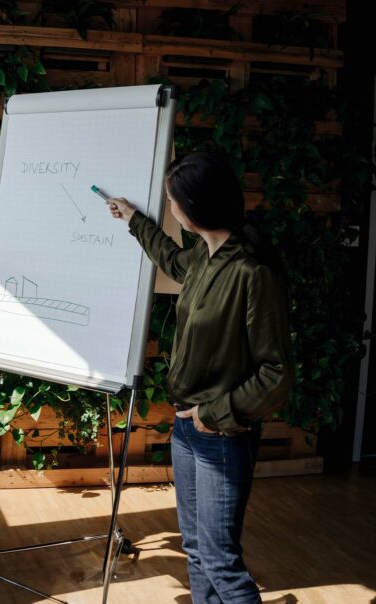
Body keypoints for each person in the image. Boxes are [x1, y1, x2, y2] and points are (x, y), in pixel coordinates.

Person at [106, 151, 294, 604]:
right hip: (187, 428)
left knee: (221, 562)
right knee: (196, 550)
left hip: (221, 434)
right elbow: (170, 259)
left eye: (173, 201)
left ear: (194, 209)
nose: (170, 208)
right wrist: (133, 219)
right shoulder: (203, 259)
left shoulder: (252, 274)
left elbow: (277, 373)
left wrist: (214, 414)